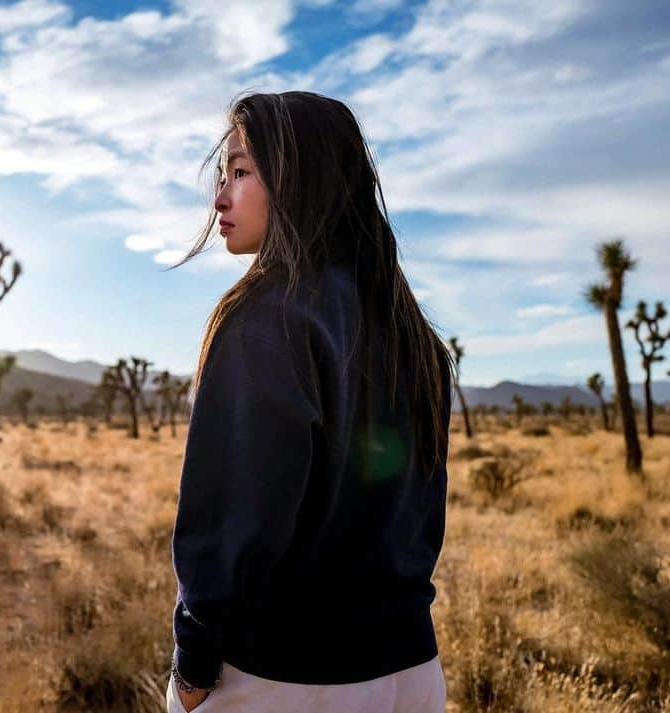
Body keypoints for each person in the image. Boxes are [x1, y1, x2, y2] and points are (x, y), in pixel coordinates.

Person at [163, 90, 455, 713]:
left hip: (284, 679)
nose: (219, 197)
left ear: (302, 180)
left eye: (241, 172)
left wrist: (192, 664)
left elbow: (233, 519)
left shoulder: (267, 316)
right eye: (222, 175)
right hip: (413, 673)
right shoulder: (415, 336)